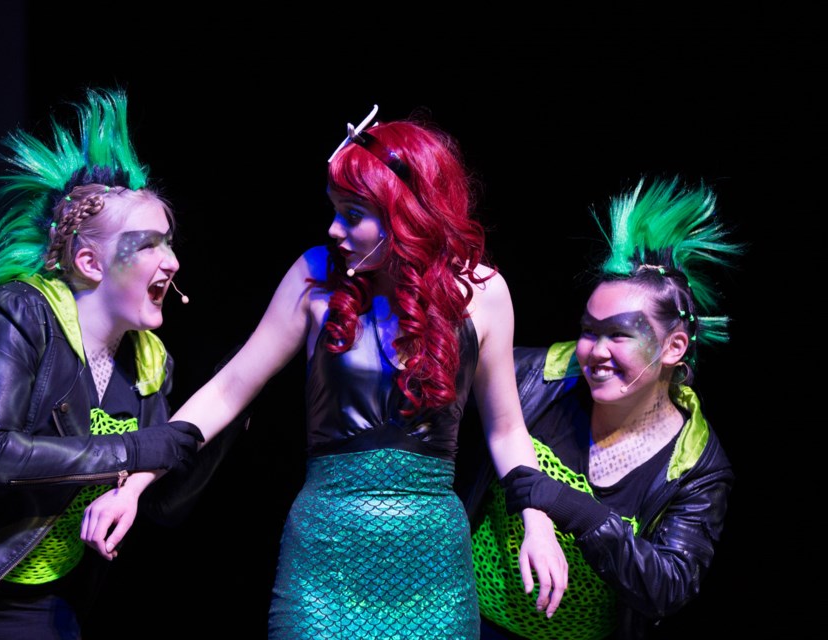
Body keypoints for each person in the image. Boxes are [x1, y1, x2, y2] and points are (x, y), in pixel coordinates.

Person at [82, 104, 568, 639]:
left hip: (433, 565)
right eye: (333, 210)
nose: (334, 229)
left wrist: (537, 522)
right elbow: (228, 390)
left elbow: (506, 429)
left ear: (406, 214)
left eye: (353, 214)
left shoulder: (483, 293)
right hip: (325, 560)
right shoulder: (315, 275)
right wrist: (135, 484)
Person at [0, 88, 210, 639]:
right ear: (89, 262)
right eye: (148, 245)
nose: (171, 261)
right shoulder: (19, 313)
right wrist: (138, 447)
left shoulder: (149, 362)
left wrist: (219, 427)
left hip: (37, 600)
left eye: (169, 243)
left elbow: (160, 504)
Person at [463, 177, 741, 639]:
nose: (594, 350)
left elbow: (666, 588)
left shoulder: (698, 467)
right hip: (467, 621)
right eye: (590, 330)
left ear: (673, 347)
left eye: (619, 334)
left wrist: (571, 507)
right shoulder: (532, 375)